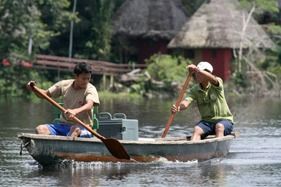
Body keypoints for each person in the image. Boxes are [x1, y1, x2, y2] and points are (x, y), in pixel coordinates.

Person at [27, 62, 100, 138]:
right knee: (40, 129)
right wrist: (34, 89)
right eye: (83, 78)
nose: (86, 81)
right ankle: (50, 148)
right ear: (76, 76)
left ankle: (69, 142)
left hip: (83, 127)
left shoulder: (91, 89)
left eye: (88, 78)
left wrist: (75, 111)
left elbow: (89, 105)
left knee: (75, 129)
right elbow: (45, 94)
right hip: (63, 126)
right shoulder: (64, 85)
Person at [171, 61, 233, 141]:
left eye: (199, 73)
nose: (197, 75)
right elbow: (186, 102)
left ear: (208, 73)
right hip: (207, 122)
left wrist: (198, 70)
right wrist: (178, 107)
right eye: (196, 73)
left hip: (224, 120)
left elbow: (213, 79)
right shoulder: (195, 90)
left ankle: (218, 152)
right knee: (197, 129)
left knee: (219, 126)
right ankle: (193, 150)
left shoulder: (217, 82)